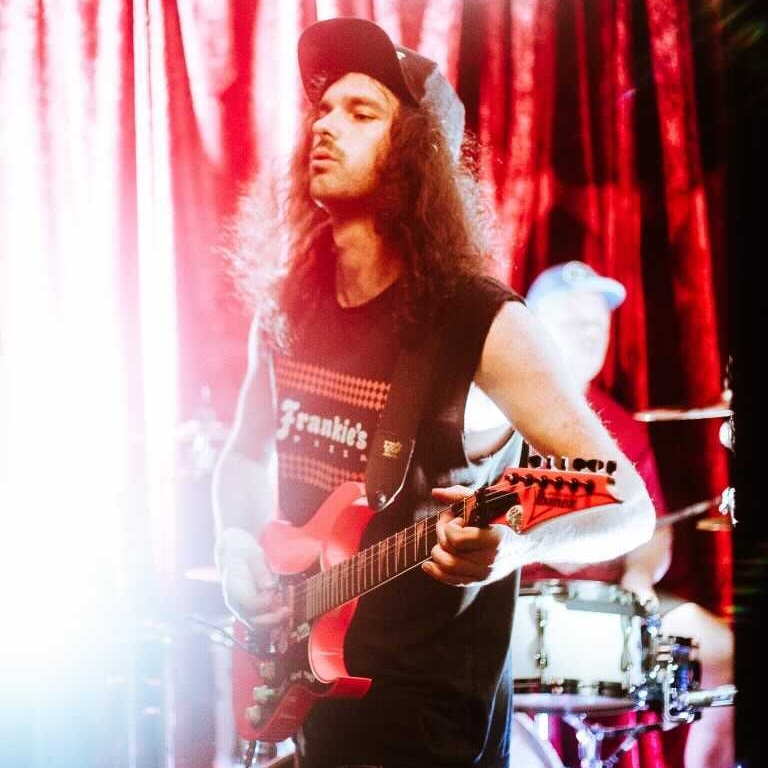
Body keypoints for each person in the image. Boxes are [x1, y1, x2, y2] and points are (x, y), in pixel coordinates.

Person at [212, 18, 655, 768]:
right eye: (323, 109)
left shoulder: (476, 319)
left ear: (419, 155)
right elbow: (246, 454)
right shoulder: (288, 306)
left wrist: (516, 541)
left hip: (428, 728)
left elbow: (627, 505)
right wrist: (234, 543)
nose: (325, 125)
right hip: (315, 699)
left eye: (362, 113)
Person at [517, 260, 734, 768]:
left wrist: (639, 573)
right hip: (517, 603)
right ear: (534, 329)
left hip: (611, 605)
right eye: (574, 320)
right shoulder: (502, 413)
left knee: (725, 651)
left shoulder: (620, 424)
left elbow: (654, 529)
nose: (592, 332)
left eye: (599, 323)